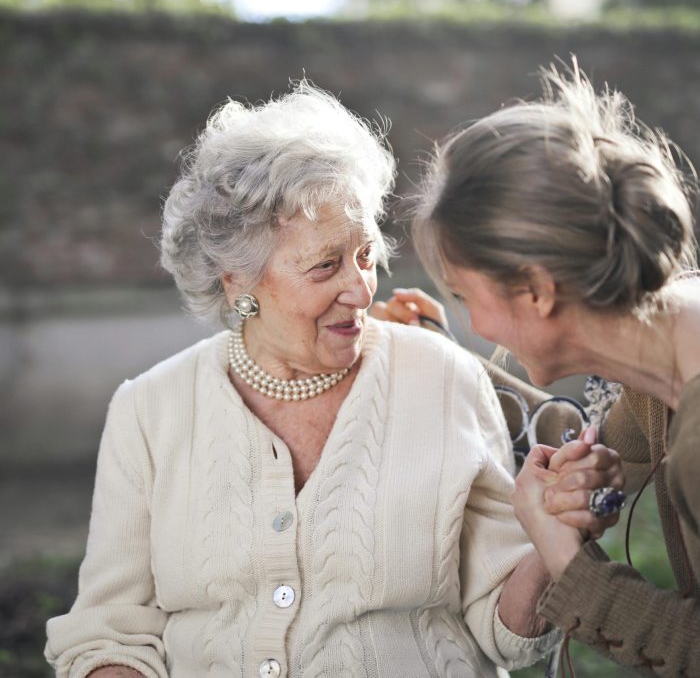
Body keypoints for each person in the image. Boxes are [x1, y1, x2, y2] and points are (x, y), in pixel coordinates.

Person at [43, 82, 624, 678]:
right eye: (325, 265)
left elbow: (507, 633)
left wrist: (551, 539)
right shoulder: (149, 409)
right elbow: (108, 632)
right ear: (237, 281)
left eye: (366, 255)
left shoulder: (441, 378)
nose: (361, 288)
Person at [400, 60, 700, 676]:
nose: (475, 323)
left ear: (536, 291)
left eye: (464, 297)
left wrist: (569, 563)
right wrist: (434, 352)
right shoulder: (664, 361)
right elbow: (574, 431)